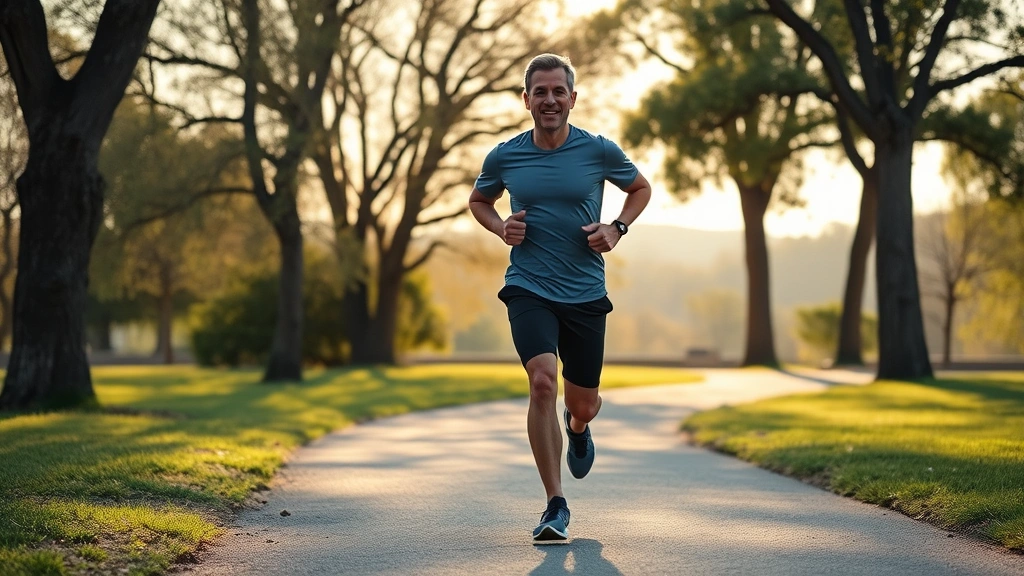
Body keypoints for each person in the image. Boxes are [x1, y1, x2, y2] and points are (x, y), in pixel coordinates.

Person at [467, 53, 652, 543]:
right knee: (542, 381)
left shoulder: (598, 150)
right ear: (526, 100)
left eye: (558, 91)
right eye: (540, 92)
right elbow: (479, 202)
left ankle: (578, 427)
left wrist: (617, 227)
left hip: (586, 291)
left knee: (583, 402)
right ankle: (555, 504)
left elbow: (640, 189)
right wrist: (500, 226)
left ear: (573, 97)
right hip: (528, 285)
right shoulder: (505, 155)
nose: (550, 100)